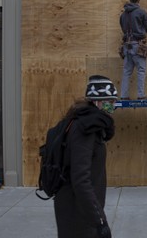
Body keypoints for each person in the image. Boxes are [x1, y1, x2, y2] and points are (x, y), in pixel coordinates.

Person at [54, 75, 117, 238]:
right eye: (110, 102)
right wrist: (99, 221)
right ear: (98, 102)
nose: (113, 106)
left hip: (80, 208)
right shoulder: (85, 129)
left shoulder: (86, 124)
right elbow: (81, 179)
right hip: (78, 212)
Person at [120, 0, 147, 100]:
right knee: (141, 70)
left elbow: (123, 29)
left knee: (127, 72)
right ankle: (141, 95)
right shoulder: (141, 12)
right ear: (138, 0)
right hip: (138, 45)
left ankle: (124, 96)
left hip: (126, 46)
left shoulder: (123, 15)